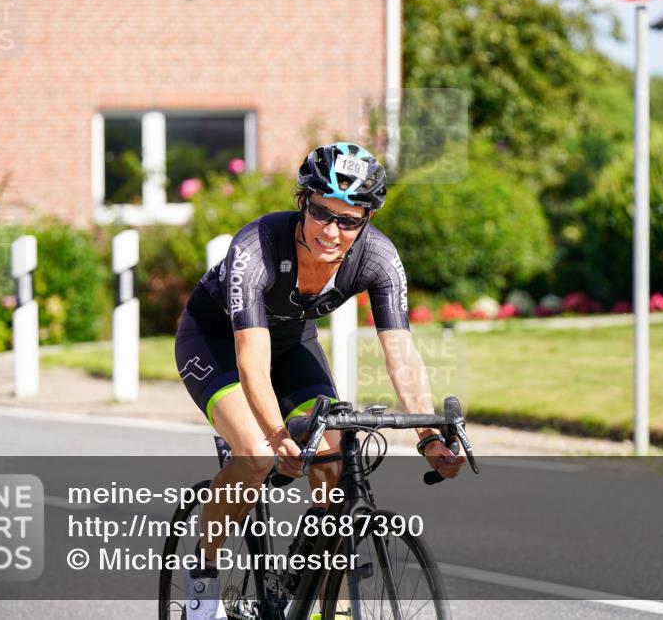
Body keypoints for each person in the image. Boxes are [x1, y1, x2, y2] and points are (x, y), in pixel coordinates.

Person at [174, 142, 465, 619]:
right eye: (321, 213)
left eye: (348, 220)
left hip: (291, 344)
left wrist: (429, 435)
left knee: (332, 453)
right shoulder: (258, 246)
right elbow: (250, 358)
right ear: (301, 202)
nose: (332, 231)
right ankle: (204, 575)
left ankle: (316, 602)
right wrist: (276, 433)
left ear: (366, 220)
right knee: (254, 455)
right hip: (217, 342)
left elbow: (401, 352)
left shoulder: (378, 259)